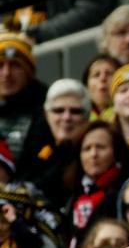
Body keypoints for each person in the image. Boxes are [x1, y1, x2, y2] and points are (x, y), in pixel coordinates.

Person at [17, 79, 91, 214]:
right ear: (46, 115)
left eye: (75, 111)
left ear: (87, 117)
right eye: (58, 110)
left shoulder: (94, 153)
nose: (66, 117)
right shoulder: (36, 150)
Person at [0, 32, 47, 159]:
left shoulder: (49, 111)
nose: (6, 73)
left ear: (29, 72)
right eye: (0, 65)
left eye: (15, 65)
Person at [82, 53, 120, 120]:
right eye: (96, 75)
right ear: (86, 85)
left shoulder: (128, 114)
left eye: (109, 73)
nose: (102, 78)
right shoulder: (79, 118)